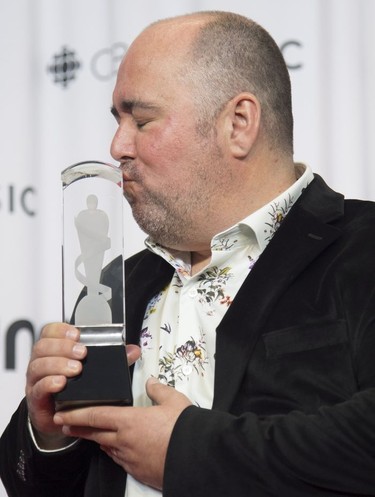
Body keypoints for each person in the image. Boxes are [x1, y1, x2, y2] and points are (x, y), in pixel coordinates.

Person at [1, 10, 375, 497]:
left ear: (238, 123)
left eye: (143, 119)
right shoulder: (117, 283)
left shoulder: (362, 247)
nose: (117, 146)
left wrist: (190, 452)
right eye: (117, 121)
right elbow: (37, 486)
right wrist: (48, 433)